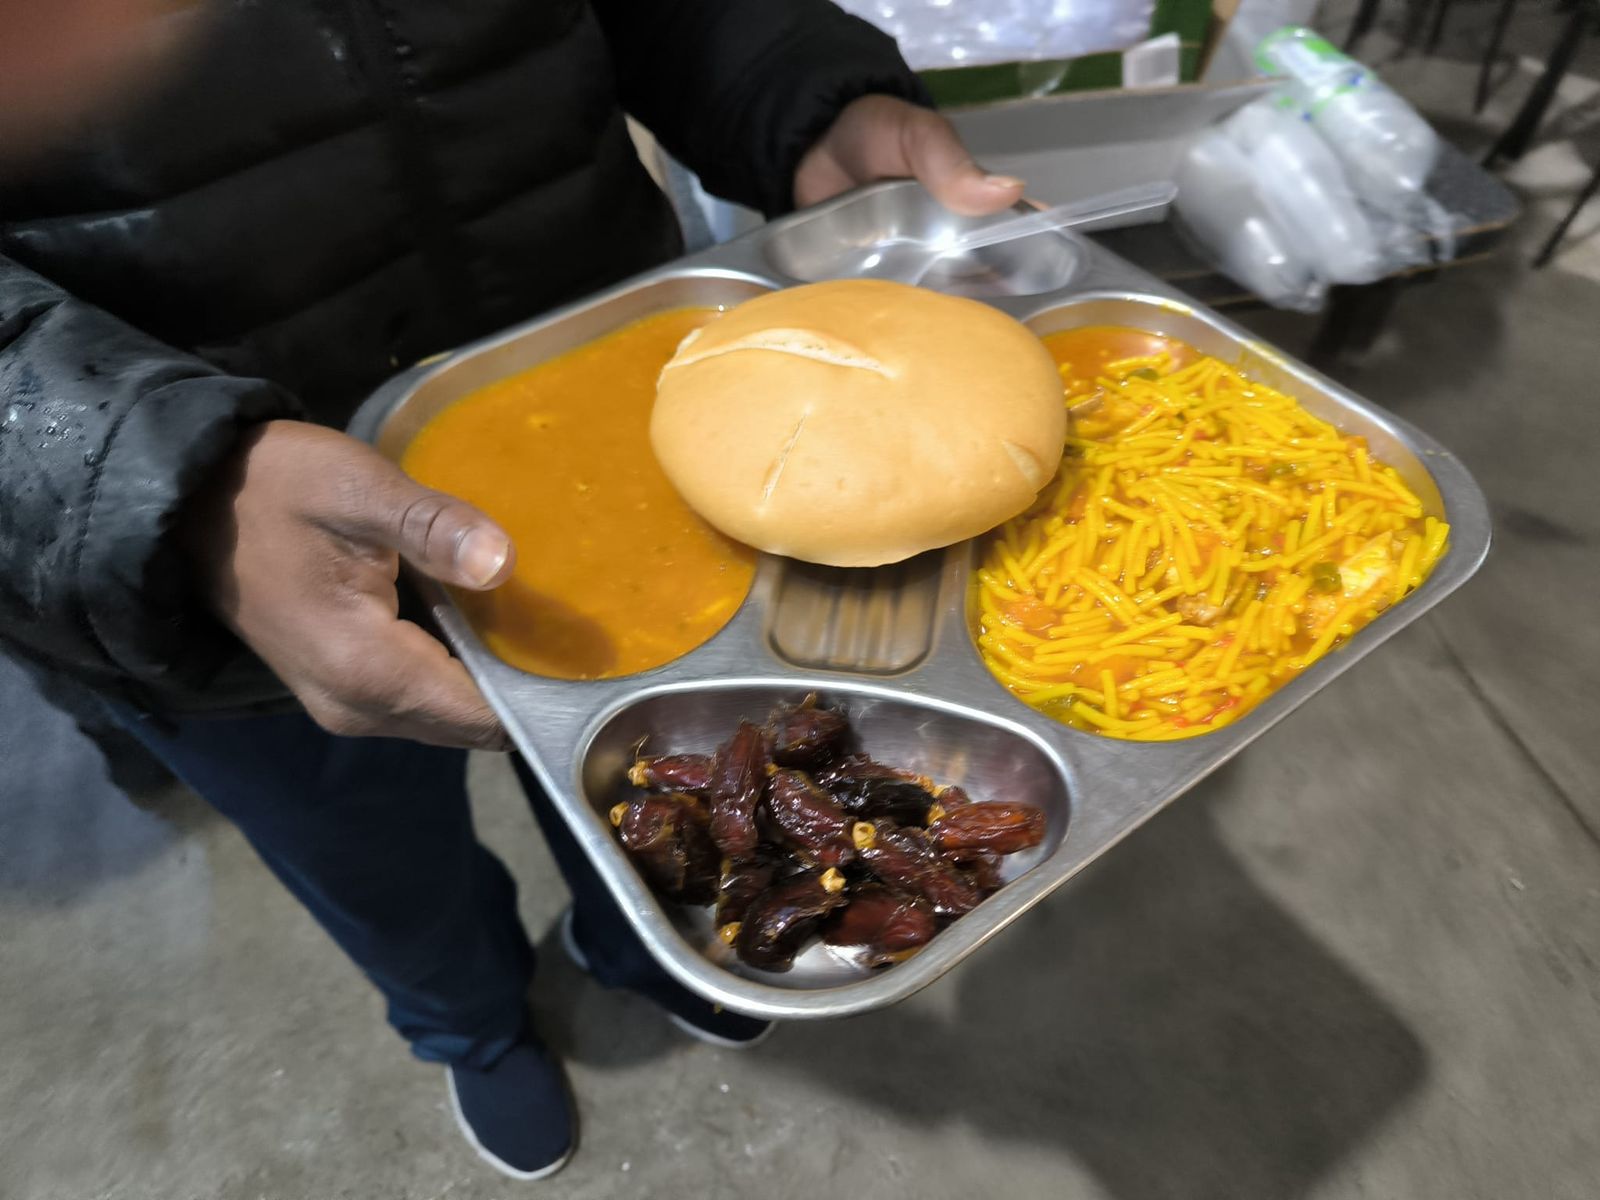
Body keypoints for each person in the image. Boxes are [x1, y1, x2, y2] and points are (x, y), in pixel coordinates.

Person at [0, 0, 1020, 1180]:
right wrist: (150, 485)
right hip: (186, 562)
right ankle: (467, 1020)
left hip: (615, 424)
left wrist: (798, 92)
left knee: (658, 784)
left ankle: (634, 951)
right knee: (370, 858)